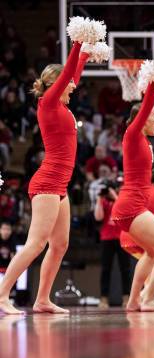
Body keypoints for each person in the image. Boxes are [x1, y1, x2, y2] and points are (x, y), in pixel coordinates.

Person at [0, 37, 90, 315]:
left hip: (60, 185)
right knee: (36, 243)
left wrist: (85, 54)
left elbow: (72, 74)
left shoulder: (61, 105)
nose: (74, 85)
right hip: (48, 181)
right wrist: (77, 44)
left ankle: (42, 299)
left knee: (59, 245)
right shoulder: (48, 103)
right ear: (56, 83)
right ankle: (2, 296)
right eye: (68, 82)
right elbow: (67, 76)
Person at [110, 79, 154, 312]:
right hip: (131, 207)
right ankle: (148, 298)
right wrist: (152, 82)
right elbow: (148, 103)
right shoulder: (132, 133)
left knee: (152, 253)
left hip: (131, 206)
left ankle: (133, 301)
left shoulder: (142, 140)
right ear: (143, 117)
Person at [94, 182, 130, 309]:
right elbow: (98, 217)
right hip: (107, 238)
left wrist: (115, 196)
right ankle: (104, 299)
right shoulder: (103, 201)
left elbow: (125, 212)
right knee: (105, 270)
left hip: (122, 238)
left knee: (125, 269)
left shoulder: (121, 199)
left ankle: (127, 298)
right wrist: (99, 199)